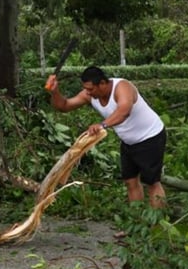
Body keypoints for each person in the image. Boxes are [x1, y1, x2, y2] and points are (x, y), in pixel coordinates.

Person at [46, 65, 167, 208]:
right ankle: (137, 222)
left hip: (150, 137)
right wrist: (54, 92)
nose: (88, 93)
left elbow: (124, 111)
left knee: (152, 183)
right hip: (128, 141)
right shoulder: (89, 94)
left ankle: (158, 225)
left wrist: (102, 125)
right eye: (86, 89)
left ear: (102, 83)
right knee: (130, 181)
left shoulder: (122, 87)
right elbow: (64, 106)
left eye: (91, 89)